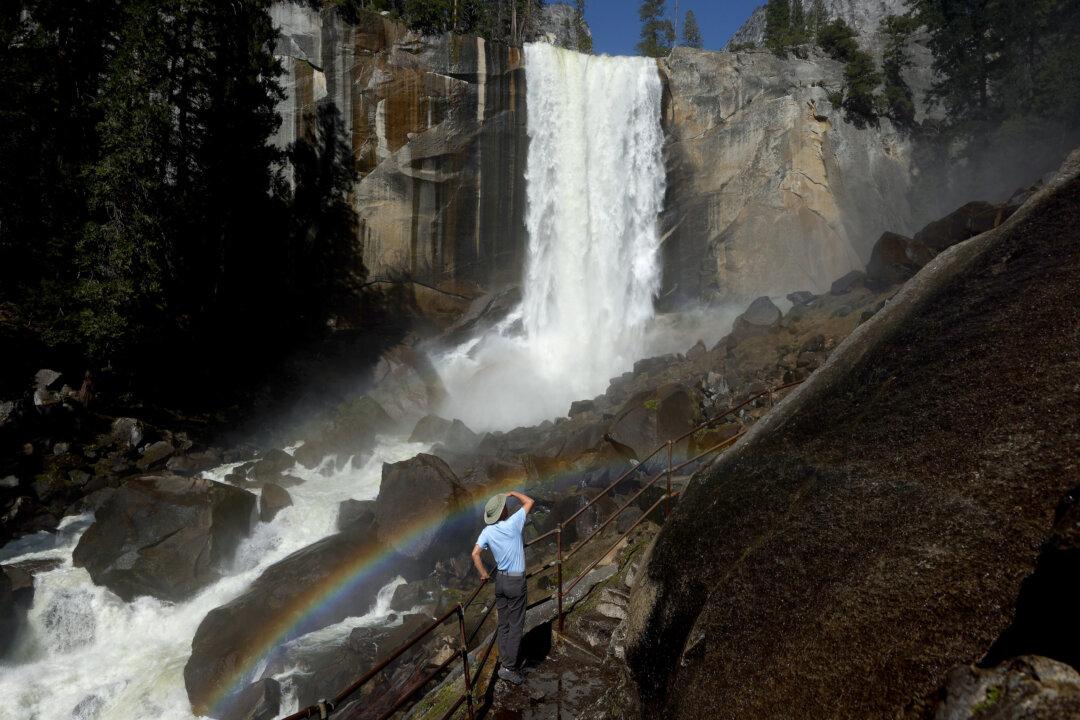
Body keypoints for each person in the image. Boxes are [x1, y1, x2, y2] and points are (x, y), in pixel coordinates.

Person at [471, 490, 534, 686]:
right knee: (516, 625)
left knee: (504, 624)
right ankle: (509, 668)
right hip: (515, 582)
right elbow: (530, 501)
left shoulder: (487, 532)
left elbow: (475, 554)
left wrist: (483, 573)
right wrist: (513, 493)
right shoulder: (514, 523)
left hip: (500, 581)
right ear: (503, 511)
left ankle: (504, 659)